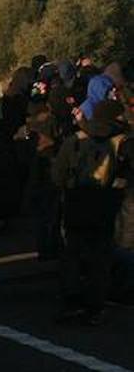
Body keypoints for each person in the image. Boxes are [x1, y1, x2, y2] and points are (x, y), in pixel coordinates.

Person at [51, 100, 129, 325]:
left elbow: (58, 175)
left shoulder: (74, 140)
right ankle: (95, 306)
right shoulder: (121, 141)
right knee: (100, 256)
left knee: (72, 252)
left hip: (76, 199)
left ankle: (71, 301)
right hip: (106, 200)